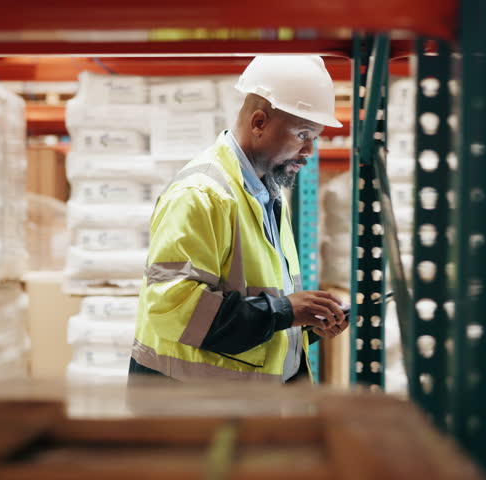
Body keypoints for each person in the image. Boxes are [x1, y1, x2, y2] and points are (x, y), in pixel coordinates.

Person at [129, 55, 349, 383]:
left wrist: (305, 321)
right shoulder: (202, 194)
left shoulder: (268, 195)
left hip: (239, 406)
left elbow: (260, 306)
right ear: (258, 123)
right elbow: (173, 309)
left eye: (314, 138)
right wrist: (287, 311)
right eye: (302, 134)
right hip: (190, 410)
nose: (309, 151)